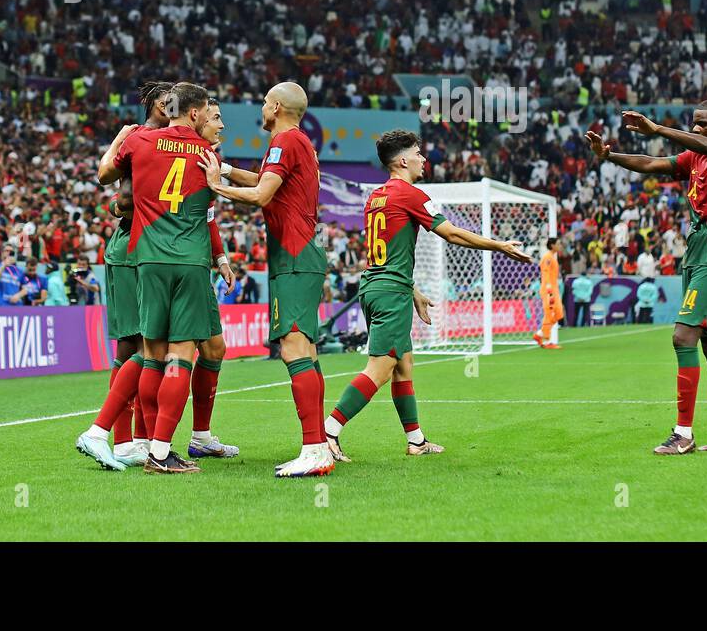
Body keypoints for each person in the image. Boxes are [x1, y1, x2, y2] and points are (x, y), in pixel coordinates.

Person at [319, 130, 532, 465]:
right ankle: (328, 432)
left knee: (403, 365)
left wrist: (413, 291)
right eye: (418, 153)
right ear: (402, 160)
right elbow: (451, 233)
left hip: (377, 286)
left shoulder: (376, 197)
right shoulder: (411, 194)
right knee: (381, 366)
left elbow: (389, 253)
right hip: (389, 292)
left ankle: (415, 440)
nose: (423, 159)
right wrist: (499, 246)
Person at [78, 81, 233, 474]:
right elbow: (210, 200)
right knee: (178, 355)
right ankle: (155, 449)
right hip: (188, 261)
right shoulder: (208, 155)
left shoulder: (141, 141)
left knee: (148, 352)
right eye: (215, 116)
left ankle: (133, 439)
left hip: (147, 258)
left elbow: (108, 176)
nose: (219, 125)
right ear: (195, 113)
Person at [590, 100, 707, 454]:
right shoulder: (693, 159)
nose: (696, 129)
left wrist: (658, 130)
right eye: (693, 123)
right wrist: (609, 156)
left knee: (683, 337)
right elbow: (651, 164)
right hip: (697, 256)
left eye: (703, 124)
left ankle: (684, 434)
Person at [201, 82, 332, 478]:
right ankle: (321, 443)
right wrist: (224, 168)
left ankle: (313, 449)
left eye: (263, 102)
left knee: (293, 348)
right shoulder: (299, 142)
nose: (261, 107)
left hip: (292, 255)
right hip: (302, 252)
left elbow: (261, 194)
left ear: (275, 107)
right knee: (306, 350)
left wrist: (215, 186)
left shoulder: (283, 142)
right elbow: (264, 178)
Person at [533, 237, 565, 349]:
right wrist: (548, 287)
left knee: (559, 312)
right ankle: (547, 341)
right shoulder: (547, 257)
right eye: (558, 243)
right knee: (550, 313)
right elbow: (545, 273)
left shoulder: (552, 257)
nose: (560, 246)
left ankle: (540, 334)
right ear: (552, 245)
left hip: (554, 288)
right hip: (549, 290)